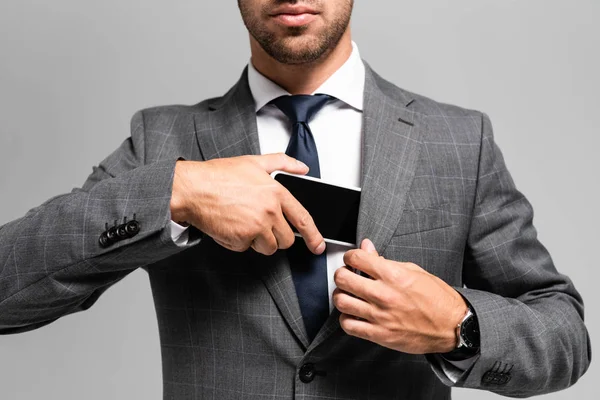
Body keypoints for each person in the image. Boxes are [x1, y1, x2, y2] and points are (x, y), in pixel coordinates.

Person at [0, 0, 591, 398]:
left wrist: (460, 327)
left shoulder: (459, 140)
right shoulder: (166, 141)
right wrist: (177, 190)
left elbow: (564, 332)